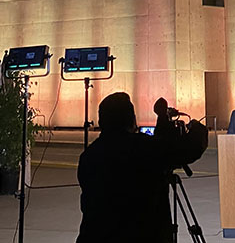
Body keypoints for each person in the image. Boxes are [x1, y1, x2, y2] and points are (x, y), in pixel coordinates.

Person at [76, 92, 208, 243]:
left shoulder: (89, 156)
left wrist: (162, 119)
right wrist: (197, 127)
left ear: (102, 120)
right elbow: (189, 149)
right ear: (131, 119)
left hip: (96, 235)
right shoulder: (143, 147)